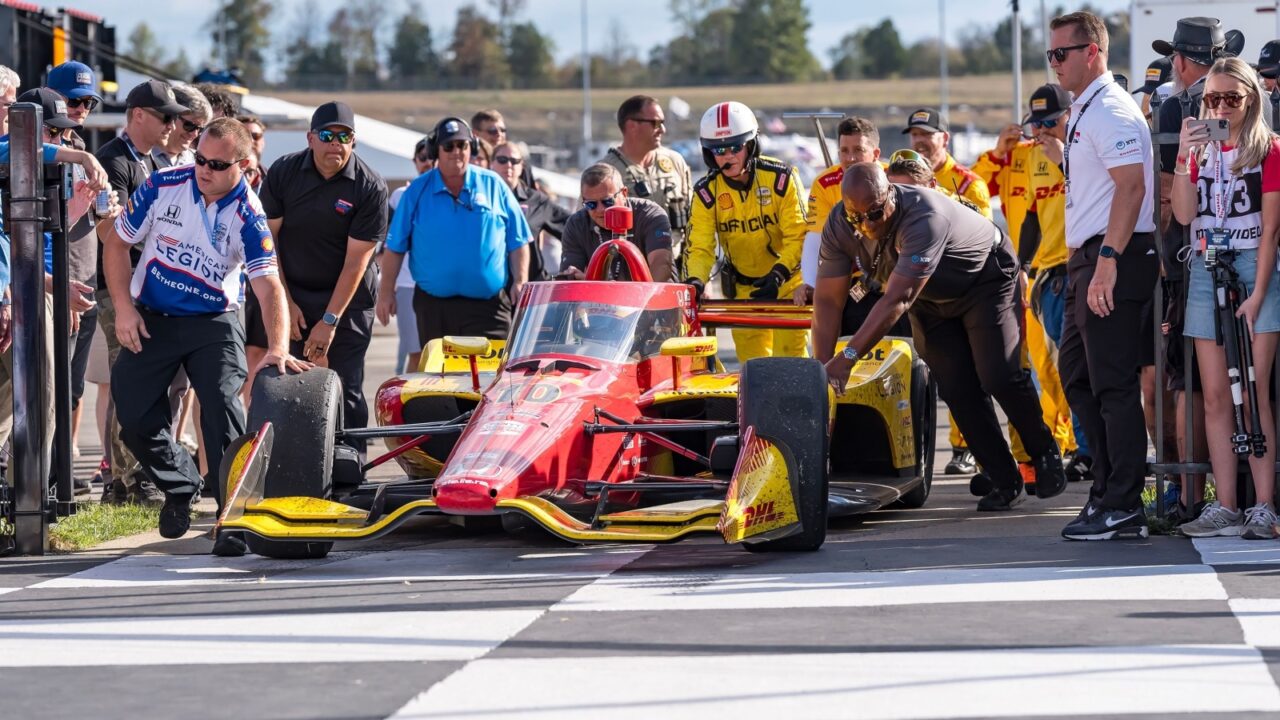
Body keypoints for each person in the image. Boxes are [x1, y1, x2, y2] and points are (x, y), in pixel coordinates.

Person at [102, 117, 308, 544]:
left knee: (221, 406)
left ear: (243, 166)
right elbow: (117, 243)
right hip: (153, 315)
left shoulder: (249, 214)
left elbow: (269, 285)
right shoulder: (163, 184)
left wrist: (278, 347)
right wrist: (123, 309)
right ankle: (180, 484)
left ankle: (231, 516)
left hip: (213, 321)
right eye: (200, 159)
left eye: (216, 164)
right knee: (133, 413)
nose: (204, 170)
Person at [818, 163, 1066, 511]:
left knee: (997, 374)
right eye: (856, 216)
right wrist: (821, 367)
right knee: (956, 387)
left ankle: (1043, 450)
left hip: (984, 280)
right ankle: (1003, 476)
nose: (867, 224)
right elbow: (829, 299)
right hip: (929, 296)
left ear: (890, 193)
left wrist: (848, 358)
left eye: (875, 213)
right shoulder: (839, 223)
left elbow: (898, 300)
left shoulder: (923, 215)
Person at [1049, 11, 1160, 540]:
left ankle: (1124, 504)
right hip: (1089, 255)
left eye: (1060, 54)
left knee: (1113, 383)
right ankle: (1106, 493)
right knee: (1077, 374)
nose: (1053, 65)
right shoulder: (1087, 109)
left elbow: (1131, 188)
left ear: (1091, 51)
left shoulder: (1110, 109)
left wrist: (1109, 261)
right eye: (1050, 55)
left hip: (1113, 254)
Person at [1172, 57, 1280, 539]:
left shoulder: (1270, 149)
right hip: (1203, 267)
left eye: (1230, 99)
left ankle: (1263, 505)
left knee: (1254, 391)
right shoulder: (1199, 150)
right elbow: (1181, 213)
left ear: (1251, 100)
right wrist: (1181, 157)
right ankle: (1225, 505)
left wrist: (1258, 293)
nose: (1220, 107)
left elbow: (1272, 228)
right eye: (1211, 98)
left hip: (1253, 266)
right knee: (1215, 396)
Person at [254, 101, 387, 455]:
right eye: (327, 135)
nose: (336, 144)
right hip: (294, 290)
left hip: (349, 299)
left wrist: (329, 321)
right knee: (292, 381)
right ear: (311, 138)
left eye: (345, 136)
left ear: (354, 142)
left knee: (346, 383)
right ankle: (294, 460)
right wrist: (286, 302)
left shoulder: (370, 187)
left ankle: (351, 464)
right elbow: (270, 243)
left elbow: (356, 262)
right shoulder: (284, 172)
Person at [94, 79, 190, 505]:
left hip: (145, 287)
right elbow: (110, 230)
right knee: (128, 382)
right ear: (137, 115)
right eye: (166, 116)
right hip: (120, 290)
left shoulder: (149, 162)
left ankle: (137, 475)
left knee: (147, 383)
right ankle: (125, 480)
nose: (174, 124)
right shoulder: (113, 162)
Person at [376, 116, 531, 346]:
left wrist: (520, 280)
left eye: (463, 145)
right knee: (440, 378)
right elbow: (395, 247)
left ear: (472, 148)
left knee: (493, 378)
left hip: (488, 307)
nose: (456, 151)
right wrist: (386, 292)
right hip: (435, 307)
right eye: (449, 146)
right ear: (436, 151)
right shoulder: (416, 192)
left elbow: (518, 240)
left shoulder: (494, 185)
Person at [686, 101, 807, 363]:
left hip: (787, 287)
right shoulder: (706, 193)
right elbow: (700, 247)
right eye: (718, 150)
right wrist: (696, 281)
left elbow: (798, 235)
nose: (727, 156)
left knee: (791, 364)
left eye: (735, 147)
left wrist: (778, 274)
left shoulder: (781, 179)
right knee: (754, 370)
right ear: (708, 154)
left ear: (751, 145)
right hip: (743, 292)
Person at [1021, 84, 1092, 483]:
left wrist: (1064, 160)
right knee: (1067, 369)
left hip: (1080, 266)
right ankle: (1087, 448)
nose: (1044, 131)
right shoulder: (1033, 157)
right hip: (1047, 274)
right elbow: (1032, 216)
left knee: (1081, 366)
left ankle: (1089, 450)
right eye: (1038, 124)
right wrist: (1022, 267)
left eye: (1051, 122)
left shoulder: (1084, 150)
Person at [798, 116, 881, 305]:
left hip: (895, 275)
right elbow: (815, 238)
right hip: (851, 280)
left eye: (858, 150)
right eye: (844, 151)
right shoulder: (824, 184)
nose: (850, 158)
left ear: (875, 154)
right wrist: (811, 285)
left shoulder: (894, 176)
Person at [599, 95, 692, 264]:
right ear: (632, 125)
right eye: (655, 123)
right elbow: (586, 228)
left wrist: (702, 279)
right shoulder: (605, 172)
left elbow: (695, 224)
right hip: (628, 274)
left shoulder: (675, 162)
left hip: (676, 270)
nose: (662, 129)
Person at [560, 164, 674, 282]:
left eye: (608, 201)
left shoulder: (649, 214)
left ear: (624, 193)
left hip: (653, 296)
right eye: (591, 204)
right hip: (603, 298)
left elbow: (662, 266)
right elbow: (569, 278)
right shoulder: (576, 224)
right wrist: (573, 276)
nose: (600, 210)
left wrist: (630, 296)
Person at [386, 137, 434, 374]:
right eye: (422, 158)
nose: (427, 163)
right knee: (415, 352)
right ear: (414, 161)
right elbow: (388, 245)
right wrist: (387, 290)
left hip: (437, 285)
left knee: (437, 353)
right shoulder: (401, 196)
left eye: (431, 157)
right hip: (407, 285)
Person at [493, 141, 568, 282]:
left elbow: (572, 227)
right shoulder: (481, 198)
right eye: (502, 160)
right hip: (493, 289)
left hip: (530, 287)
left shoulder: (536, 200)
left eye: (515, 161)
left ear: (522, 167)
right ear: (491, 164)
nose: (508, 165)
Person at [902, 107, 992, 218]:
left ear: (945, 138)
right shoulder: (900, 177)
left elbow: (984, 231)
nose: (919, 140)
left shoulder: (970, 185)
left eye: (926, 134)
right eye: (914, 134)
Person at [153, 84, 211, 168]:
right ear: (169, 116)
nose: (195, 134)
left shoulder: (199, 163)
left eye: (200, 129)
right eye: (189, 125)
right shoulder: (139, 153)